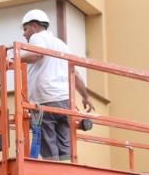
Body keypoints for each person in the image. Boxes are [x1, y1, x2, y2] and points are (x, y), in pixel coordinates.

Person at [19, 9, 94, 161]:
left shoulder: (37, 37)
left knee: (47, 144)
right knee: (65, 144)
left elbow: (38, 54)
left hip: (45, 100)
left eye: (25, 29)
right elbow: (76, 74)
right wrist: (86, 97)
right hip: (65, 101)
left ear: (34, 26)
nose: (24, 34)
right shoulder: (62, 45)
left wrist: (16, 58)